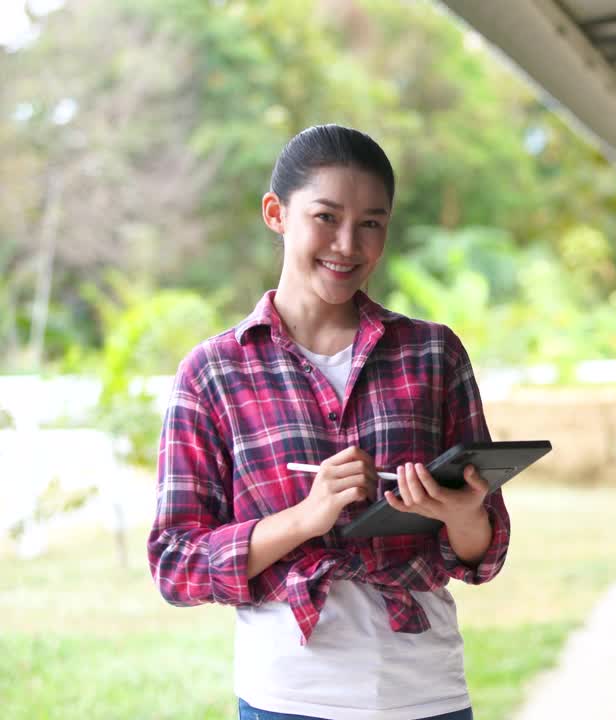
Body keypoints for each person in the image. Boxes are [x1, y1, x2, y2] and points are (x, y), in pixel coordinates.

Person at [147, 124, 509, 720]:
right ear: (276, 213)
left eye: (371, 223)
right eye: (326, 217)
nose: (348, 244)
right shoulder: (213, 372)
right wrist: (303, 520)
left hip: (428, 693)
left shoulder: (433, 354)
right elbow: (176, 563)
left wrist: (463, 514)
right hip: (287, 698)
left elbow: (483, 553)